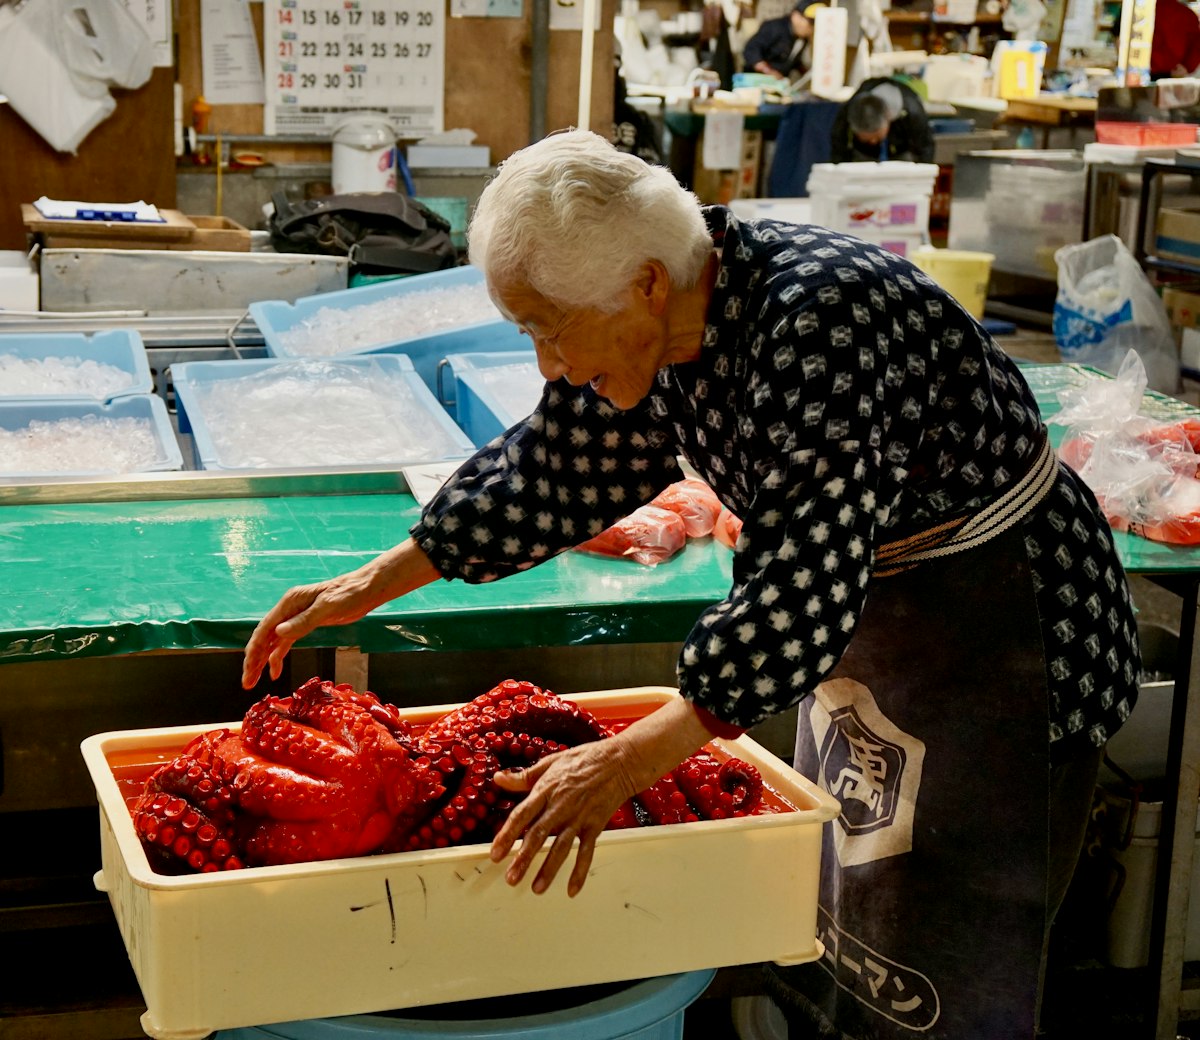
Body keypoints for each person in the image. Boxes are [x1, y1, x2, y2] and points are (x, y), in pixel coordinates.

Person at [242, 129, 1141, 1039]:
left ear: (644, 283)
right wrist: (375, 581)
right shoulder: (674, 312)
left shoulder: (816, 324)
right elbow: (559, 465)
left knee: (950, 934)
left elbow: (799, 577)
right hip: (875, 620)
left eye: (549, 329)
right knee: (857, 911)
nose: (549, 365)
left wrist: (623, 762)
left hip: (1005, 630)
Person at [830, 74, 935, 162]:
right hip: (862, 152)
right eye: (866, 139)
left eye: (876, 136)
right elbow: (838, 140)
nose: (873, 141)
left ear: (888, 117)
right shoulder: (851, 108)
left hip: (902, 147)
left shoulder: (912, 111)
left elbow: (925, 148)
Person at [742, 0, 823, 80]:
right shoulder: (774, 27)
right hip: (756, 80)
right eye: (811, 22)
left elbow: (791, 59)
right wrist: (768, 71)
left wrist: (806, 73)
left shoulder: (802, 38)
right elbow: (751, 49)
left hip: (780, 83)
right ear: (796, 16)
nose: (813, 27)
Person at [1150, 0, 1200, 78]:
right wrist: (1187, 67)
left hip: (1138, 70)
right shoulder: (1187, 14)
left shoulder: (1142, 11)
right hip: (1173, 72)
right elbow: (1196, 47)